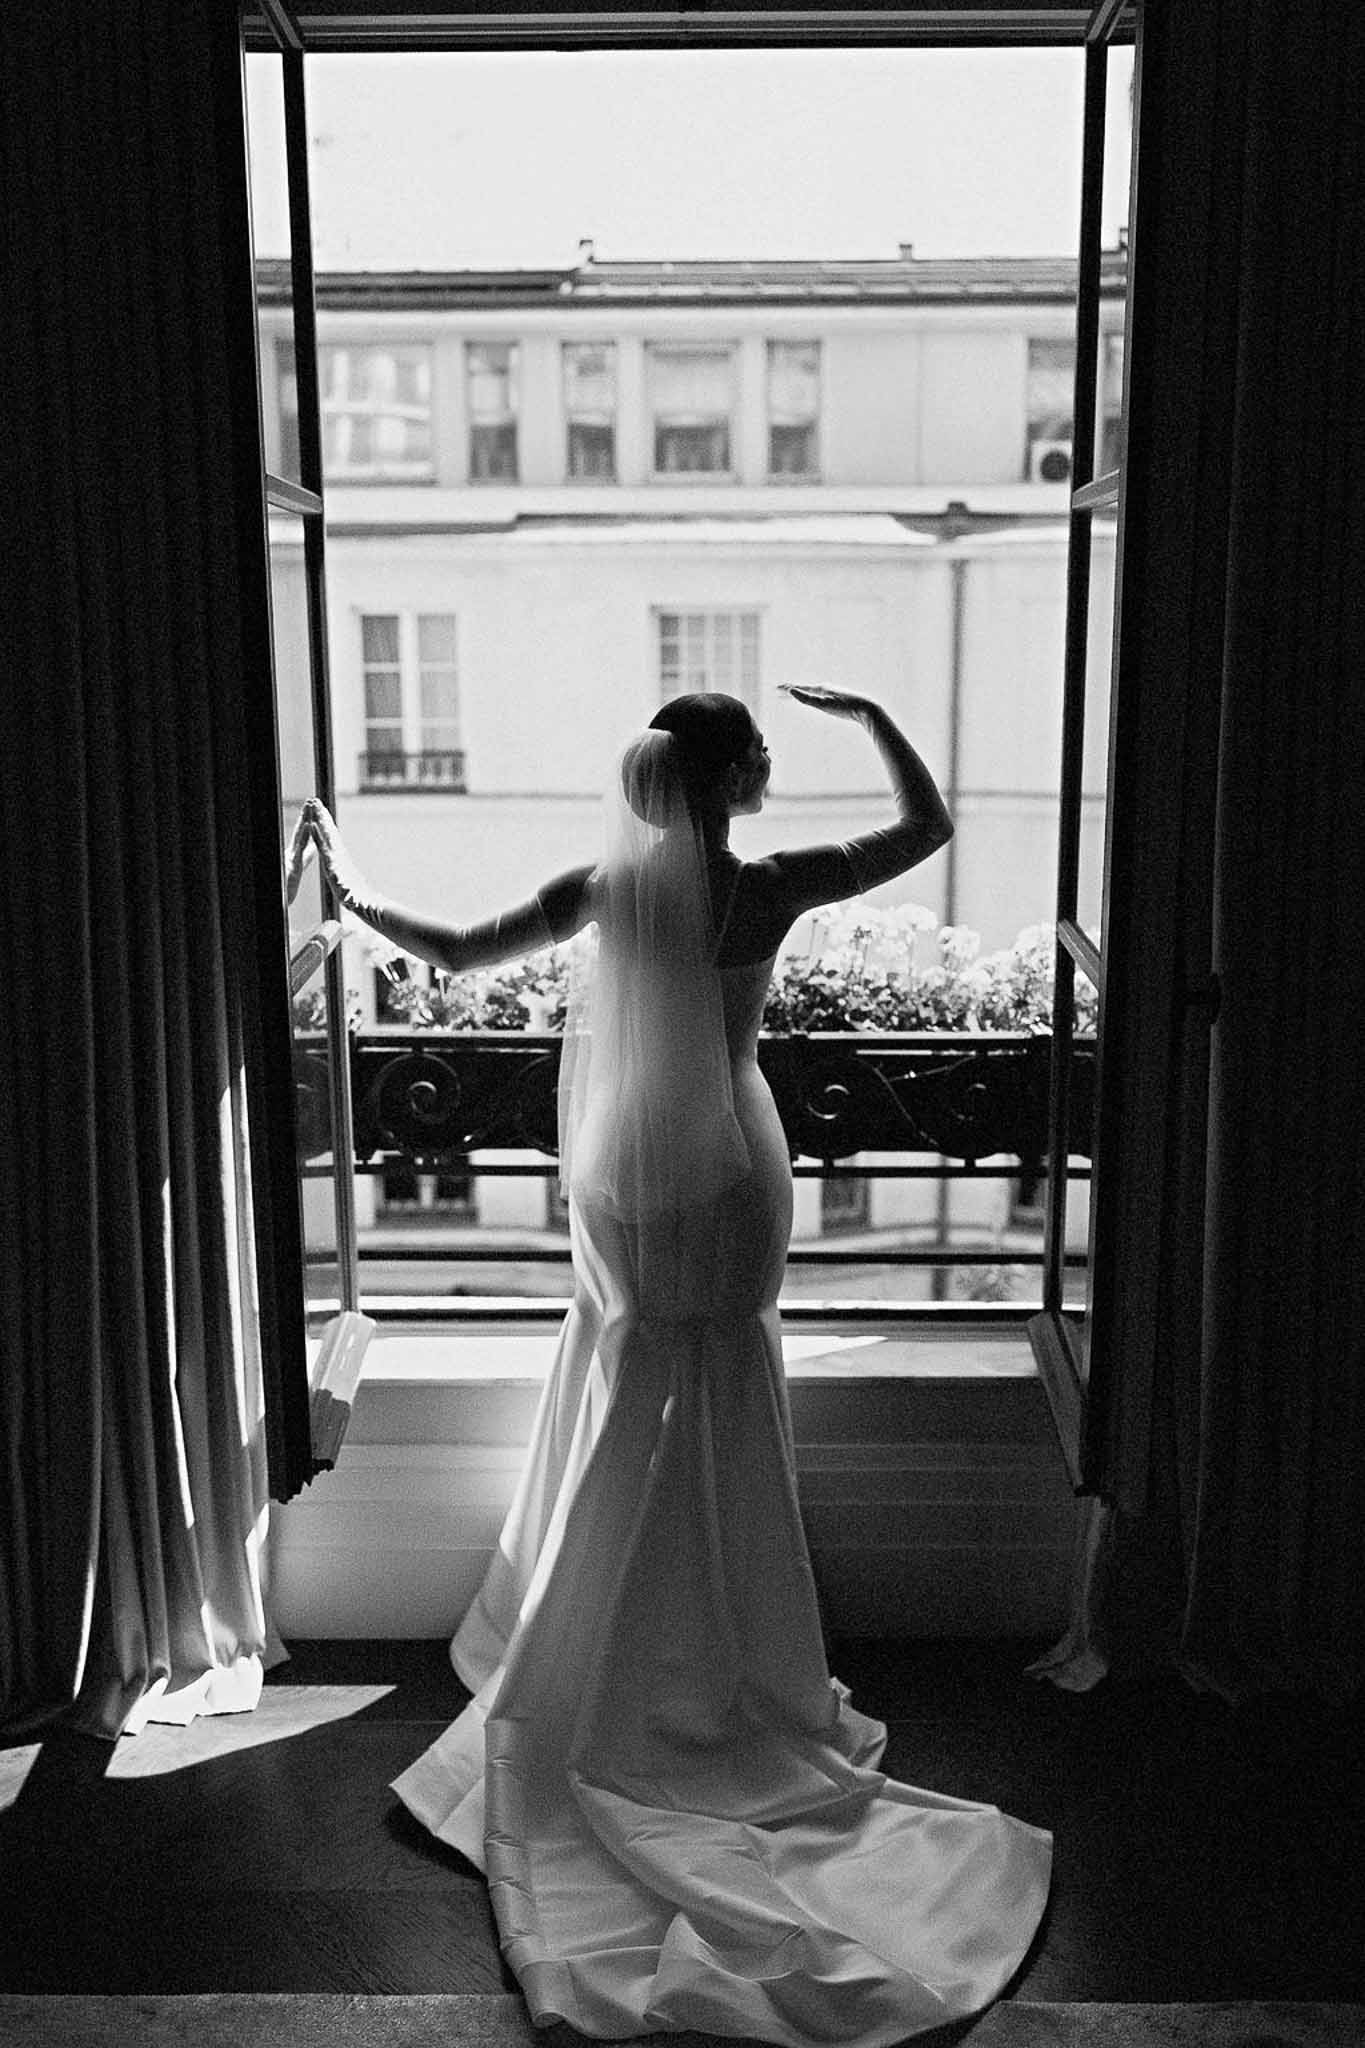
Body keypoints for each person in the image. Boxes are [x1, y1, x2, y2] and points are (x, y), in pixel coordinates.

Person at [303, 686, 1051, 2048]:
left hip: (628, 1166)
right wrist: (878, 717)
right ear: (744, 773)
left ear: (647, 785)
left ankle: (596, 1640)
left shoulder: (602, 887)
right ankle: (720, 1651)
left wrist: (349, 891)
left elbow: (459, 949)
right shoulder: (771, 888)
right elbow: (926, 827)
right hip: (733, 1165)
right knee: (720, 1391)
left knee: (631, 1376)